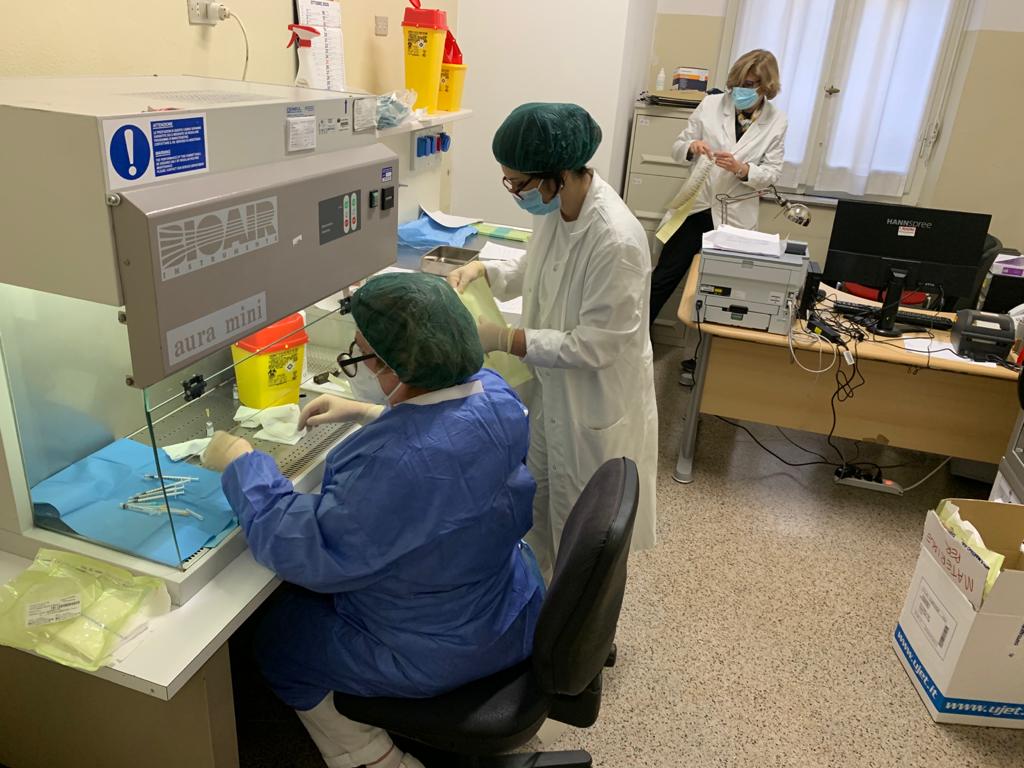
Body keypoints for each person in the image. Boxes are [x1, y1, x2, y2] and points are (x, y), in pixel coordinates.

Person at [202, 273, 544, 768]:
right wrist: (368, 411)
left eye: (362, 356)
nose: (359, 366)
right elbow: (451, 436)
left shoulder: (393, 466)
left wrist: (242, 462)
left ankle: (373, 757)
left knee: (280, 641)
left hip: (436, 649)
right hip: (512, 606)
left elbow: (307, 549)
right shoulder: (498, 395)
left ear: (394, 366)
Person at [446, 102, 658, 582]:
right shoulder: (557, 208)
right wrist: (486, 271)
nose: (516, 193)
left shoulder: (616, 239)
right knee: (540, 514)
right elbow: (535, 266)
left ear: (558, 175)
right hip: (552, 400)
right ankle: (536, 606)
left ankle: (577, 622)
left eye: (519, 184)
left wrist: (507, 339)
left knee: (585, 536)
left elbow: (595, 345)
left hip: (593, 407)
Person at [648, 49, 788, 327]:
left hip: (734, 215)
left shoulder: (777, 121)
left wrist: (742, 169)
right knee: (663, 278)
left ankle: (707, 350)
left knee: (724, 290)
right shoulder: (711, 104)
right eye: (737, 83)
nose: (740, 90)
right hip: (696, 206)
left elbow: (772, 173)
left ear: (766, 86)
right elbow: (678, 147)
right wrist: (692, 147)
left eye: (749, 84)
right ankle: (638, 339)